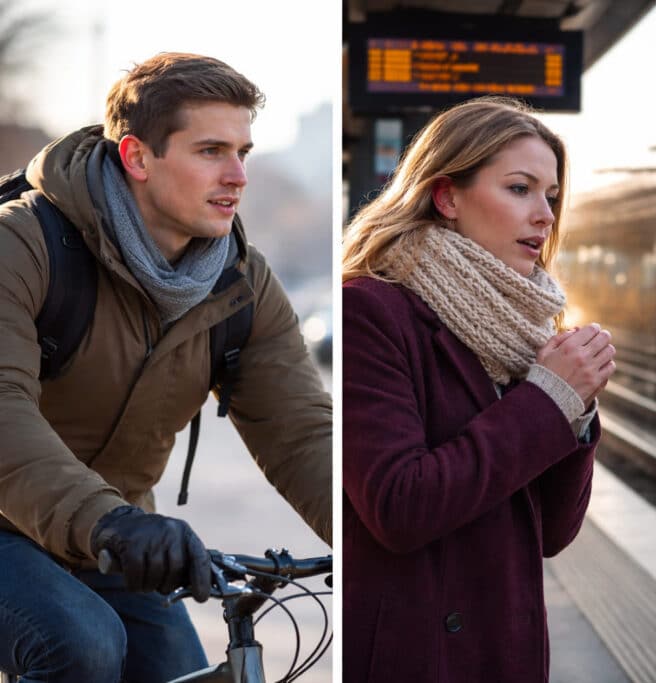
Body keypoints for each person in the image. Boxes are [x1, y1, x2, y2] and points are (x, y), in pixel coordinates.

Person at [0, 53, 331, 681]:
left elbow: (303, 433)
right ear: (137, 157)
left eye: (243, 152)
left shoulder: (240, 283)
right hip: (59, 523)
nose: (237, 176)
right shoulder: (22, 244)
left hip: (107, 533)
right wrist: (115, 524)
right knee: (81, 643)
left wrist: (370, 532)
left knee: (182, 671)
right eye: (211, 151)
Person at [342, 96, 615, 683]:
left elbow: (551, 533)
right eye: (520, 189)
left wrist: (575, 407)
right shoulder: (369, 311)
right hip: (418, 657)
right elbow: (398, 505)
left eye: (551, 195)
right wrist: (548, 401)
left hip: (505, 650)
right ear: (446, 197)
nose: (545, 215)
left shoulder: (524, 329)